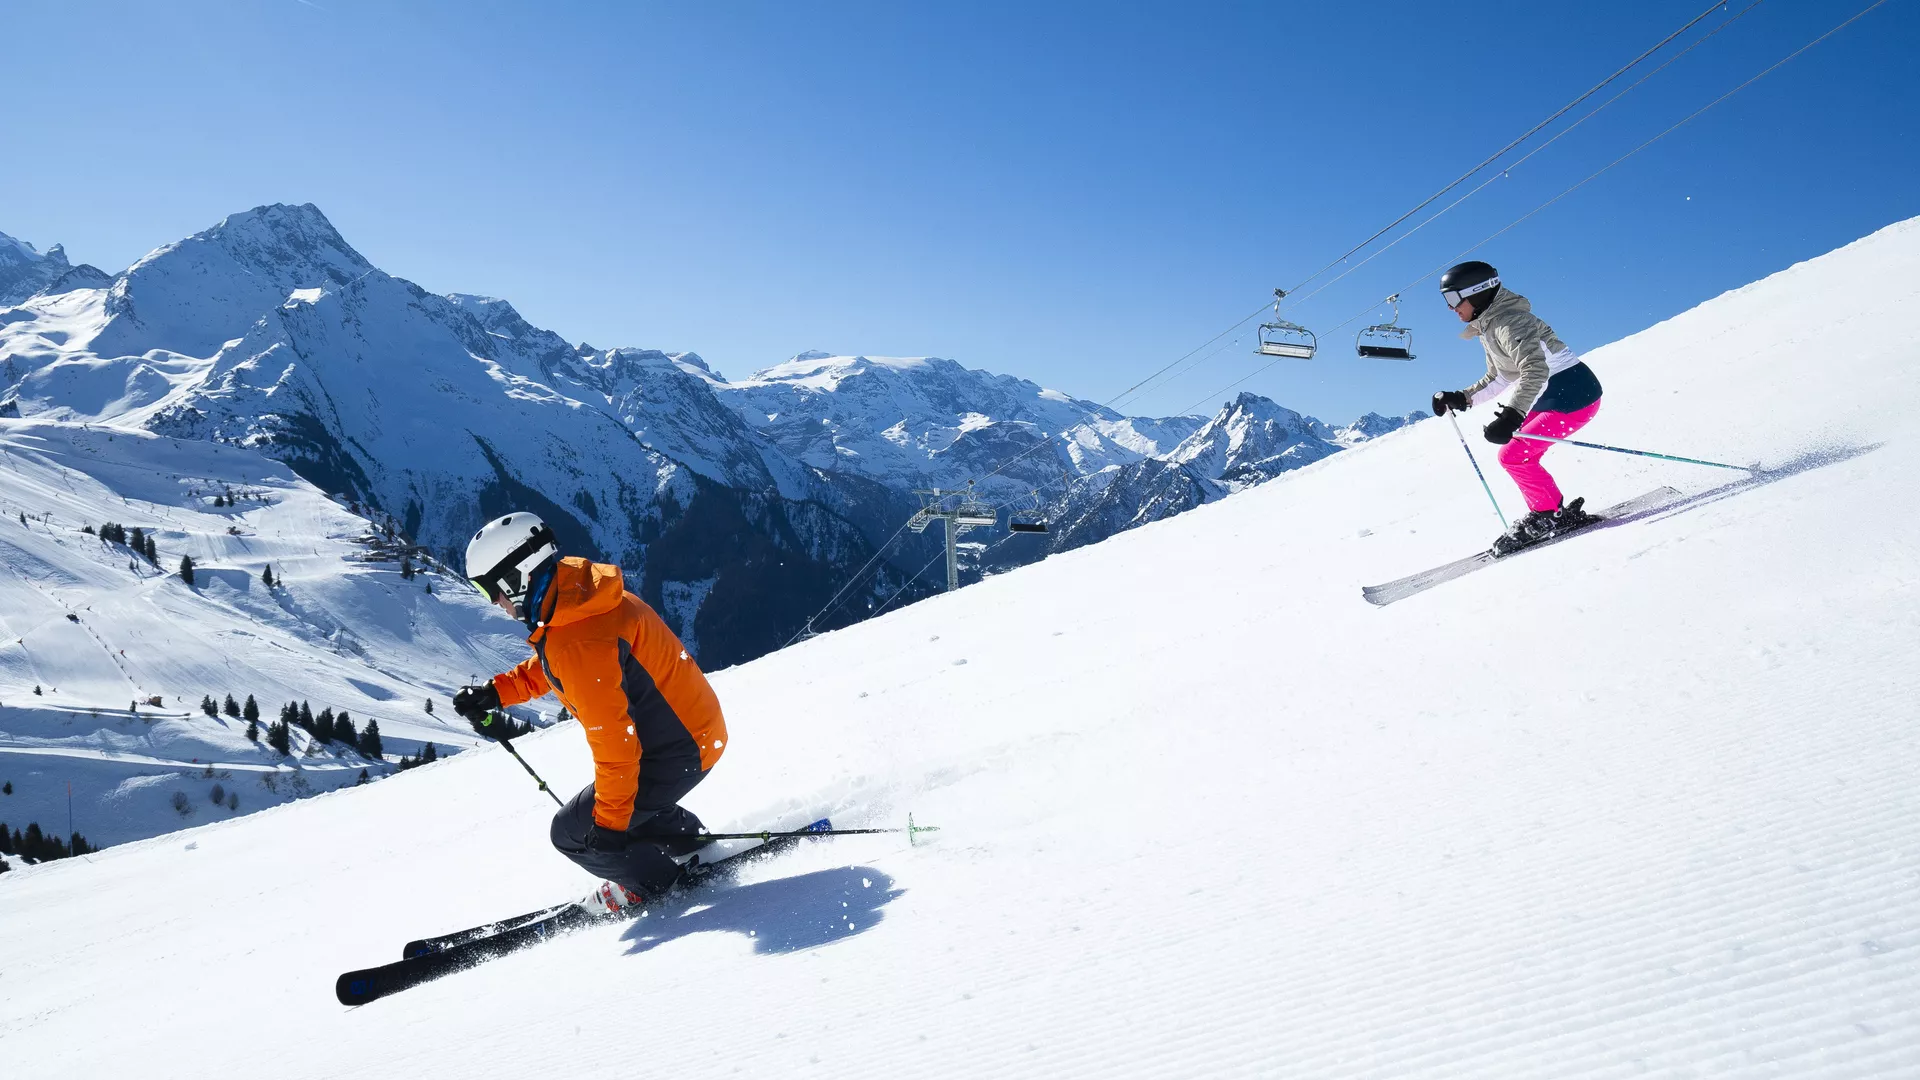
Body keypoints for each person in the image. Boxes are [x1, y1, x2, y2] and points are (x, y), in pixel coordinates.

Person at [452, 512, 728, 914]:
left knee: (572, 832)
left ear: (517, 578)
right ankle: (691, 847)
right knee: (618, 806)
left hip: (678, 749)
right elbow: (563, 666)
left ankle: (658, 886)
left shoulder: (573, 635)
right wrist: (497, 692)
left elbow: (615, 742)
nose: (494, 602)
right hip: (691, 731)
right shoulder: (575, 598)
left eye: (490, 590)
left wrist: (609, 828)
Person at [1428, 261, 1604, 555]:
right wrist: (1462, 397)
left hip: (1574, 395)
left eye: (1453, 299)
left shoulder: (1510, 323)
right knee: (1516, 454)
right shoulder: (1492, 325)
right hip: (1556, 394)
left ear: (1477, 294)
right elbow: (1500, 376)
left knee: (1514, 455)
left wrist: (1512, 415)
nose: (1450, 308)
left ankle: (1548, 516)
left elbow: (1534, 370)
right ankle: (1549, 513)